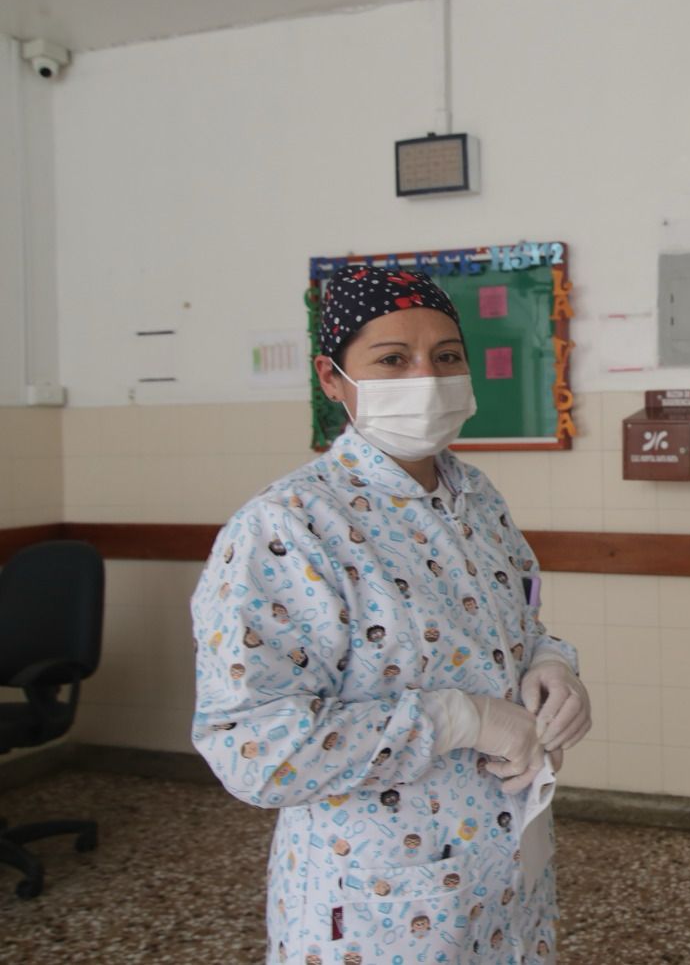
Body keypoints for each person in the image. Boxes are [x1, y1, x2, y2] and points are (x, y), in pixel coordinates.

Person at [191, 265, 590, 964]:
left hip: (503, 873)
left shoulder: (476, 497)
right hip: (379, 902)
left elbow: (517, 623)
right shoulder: (287, 528)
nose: (427, 378)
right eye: (392, 359)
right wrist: (457, 719)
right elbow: (254, 749)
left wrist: (553, 664)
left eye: (446, 356)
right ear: (332, 378)